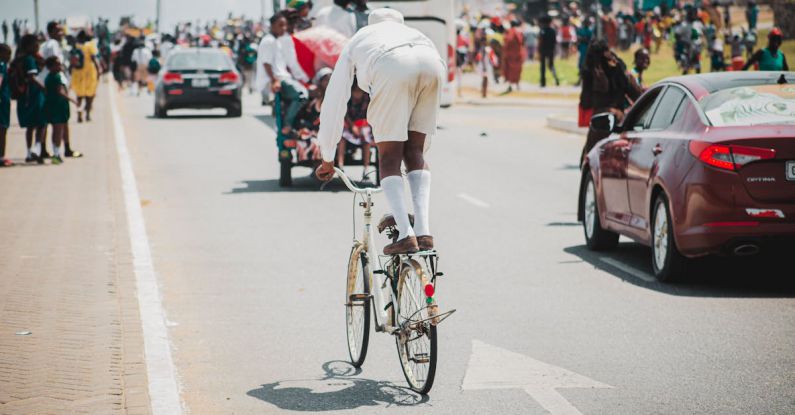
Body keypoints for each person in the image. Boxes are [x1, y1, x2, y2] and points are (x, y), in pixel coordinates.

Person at [315, 9, 444, 255]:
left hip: (390, 64)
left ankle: (406, 234)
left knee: (388, 157)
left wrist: (328, 157)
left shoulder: (360, 37)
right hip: (433, 63)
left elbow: (335, 99)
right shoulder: (414, 33)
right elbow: (420, 143)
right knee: (415, 152)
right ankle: (423, 231)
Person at [579, 39, 642, 164]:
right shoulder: (619, 68)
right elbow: (637, 95)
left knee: (588, 162)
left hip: (599, 124)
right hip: (619, 122)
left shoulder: (590, 72)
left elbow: (585, 102)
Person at [260, 14, 308, 135]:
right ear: (272, 26)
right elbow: (266, 63)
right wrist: (274, 80)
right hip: (279, 79)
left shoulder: (278, 41)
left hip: (284, 77)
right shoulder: (268, 41)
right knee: (301, 95)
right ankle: (287, 124)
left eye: (285, 25)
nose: (284, 28)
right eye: (280, 25)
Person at [11, 34, 47, 163]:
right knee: (41, 123)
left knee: (30, 127)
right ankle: (36, 149)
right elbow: (32, 77)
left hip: (23, 97)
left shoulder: (18, 59)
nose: (38, 45)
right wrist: (44, 88)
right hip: (34, 96)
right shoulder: (30, 59)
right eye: (36, 43)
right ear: (30, 46)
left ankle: (28, 153)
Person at [43, 57, 78, 165]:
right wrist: (72, 100)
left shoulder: (48, 77)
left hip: (52, 106)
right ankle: (56, 154)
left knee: (55, 130)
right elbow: (60, 91)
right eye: (57, 64)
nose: (60, 66)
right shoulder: (57, 77)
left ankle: (56, 152)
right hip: (58, 107)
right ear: (51, 67)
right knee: (58, 131)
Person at [338, 83, 375, 179]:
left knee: (366, 138)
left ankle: (366, 169)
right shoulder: (347, 96)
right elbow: (344, 113)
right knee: (342, 137)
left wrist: (362, 125)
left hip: (364, 125)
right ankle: (340, 166)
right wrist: (352, 126)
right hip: (349, 125)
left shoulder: (368, 97)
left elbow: (370, 113)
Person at [71, 30, 101, 123]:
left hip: (78, 73)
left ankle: (79, 115)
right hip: (89, 72)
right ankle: (87, 114)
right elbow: (94, 58)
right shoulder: (90, 45)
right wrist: (99, 70)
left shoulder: (75, 46)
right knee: (90, 95)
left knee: (79, 96)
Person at [501, 20, 524, 93]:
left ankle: (510, 85)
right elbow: (521, 42)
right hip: (518, 53)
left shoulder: (510, 32)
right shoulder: (519, 32)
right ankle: (517, 84)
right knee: (517, 69)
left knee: (510, 70)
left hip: (510, 54)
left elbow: (507, 41)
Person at [538, 16, 559, 88]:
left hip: (544, 50)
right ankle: (556, 78)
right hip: (551, 50)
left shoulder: (542, 31)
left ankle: (543, 82)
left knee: (543, 67)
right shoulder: (553, 31)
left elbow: (540, 41)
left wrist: (539, 50)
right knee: (551, 65)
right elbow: (555, 41)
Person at [0, 43, 11, 166]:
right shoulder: (2, 65)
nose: (9, 57)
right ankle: (2, 157)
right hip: (2, 101)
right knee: (3, 128)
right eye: (7, 54)